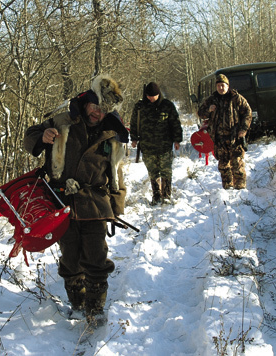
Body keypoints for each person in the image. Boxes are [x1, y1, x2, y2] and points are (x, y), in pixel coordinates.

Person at [23, 74, 128, 326]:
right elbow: (29, 137)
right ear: (87, 102)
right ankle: (78, 304)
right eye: (95, 107)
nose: (97, 113)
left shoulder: (112, 133)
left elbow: (116, 173)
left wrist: (116, 206)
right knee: (70, 257)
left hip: (95, 202)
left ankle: (95, 308)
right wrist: (43, 136)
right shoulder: (63, 121)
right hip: (61, 201)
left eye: (103, 110)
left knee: (96, 256)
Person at [130, 82, 183, 205]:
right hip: (147, 146)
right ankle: (156, 195)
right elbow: (134, 123)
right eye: (149, 96)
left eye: (153, 96)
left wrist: (177, 140)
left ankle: (166, 195)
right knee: (153, 172)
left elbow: (175, 123)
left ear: (159, 94)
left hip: (164, 146)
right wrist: (133, 138)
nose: (151, 98)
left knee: (165, 171)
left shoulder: (167, 106)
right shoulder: (139, 106)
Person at [197, 74, 252, 189]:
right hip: (219, 139)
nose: (221, 88)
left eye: (223, 85)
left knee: (237, 163)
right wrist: (209, 110)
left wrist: (243, 129)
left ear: (227, 86)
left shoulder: (236, 98)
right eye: (218, 86)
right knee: (223, 165)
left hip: (235, 137)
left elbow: (248, 112)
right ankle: (227, 188)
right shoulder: (212, 99)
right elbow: (200, 113)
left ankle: (240, 189)